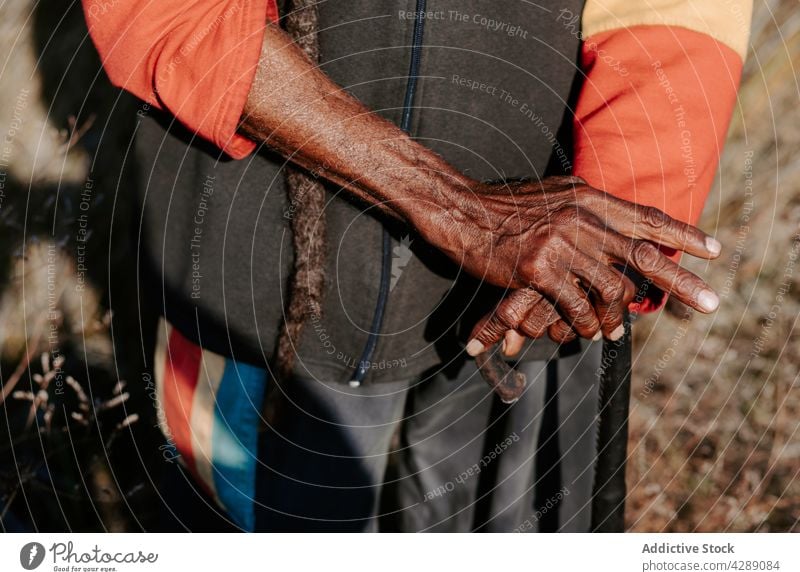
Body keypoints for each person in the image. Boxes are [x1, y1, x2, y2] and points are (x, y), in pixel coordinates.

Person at [82, 0, 751, 532]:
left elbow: (682, 15)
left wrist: (610, 231)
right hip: (259, 280)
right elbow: (169, 13)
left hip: (537, 279)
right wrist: (458, 209)